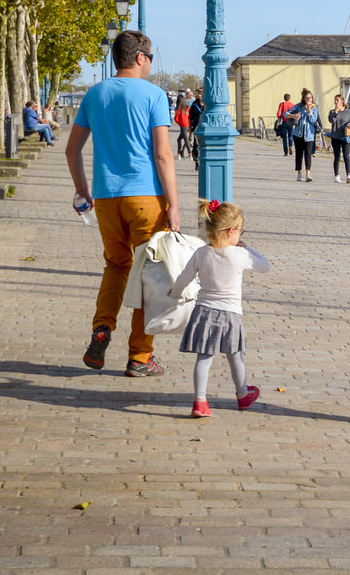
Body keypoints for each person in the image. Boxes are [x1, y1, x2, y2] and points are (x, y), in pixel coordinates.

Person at [67, 30, 178, 376]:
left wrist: (83, 190)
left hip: (105, 199)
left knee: (116, 266)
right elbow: (162, 154)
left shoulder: (94, 94)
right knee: (150, 276)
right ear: (141, 57)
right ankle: (140, 356)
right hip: (146, 198)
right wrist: (173, 204)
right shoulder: (153, 95)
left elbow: (72, 149)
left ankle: (102, 328)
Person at [170, 199, 273, 418]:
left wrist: (175, 295)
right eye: (241, 232)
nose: (241, 237)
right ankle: (243, 394)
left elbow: (183, 279)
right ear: (231, 231)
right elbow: (265, 265)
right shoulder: (240, 255)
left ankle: (200, 401)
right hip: (230, 314)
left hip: (204, 312)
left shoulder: (201, 253)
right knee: (235, 356)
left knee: (204, 357)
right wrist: (247, 247)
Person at [327, 93, 350, 184]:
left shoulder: (348, 112)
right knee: (337, 156)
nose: (335, 102)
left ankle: (349, 175)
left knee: (346, 156)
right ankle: (336, 175)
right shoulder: (332, 112)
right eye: (335, 100)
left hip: (345, 137)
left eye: (337, 100)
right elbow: (332, 121)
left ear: (342, 101)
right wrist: (335, 112)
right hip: (335, 137)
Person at [292, 94, 321, 181]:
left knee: (308, 154)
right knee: (299, 153)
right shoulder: (299, 107)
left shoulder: (314, 108)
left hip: (309, 134)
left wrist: (309, 111)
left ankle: (308, 174)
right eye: (307, 98)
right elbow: (287, 113)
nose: (309, 99)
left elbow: (313, 120)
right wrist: (294, 116)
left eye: (310, 98)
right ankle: (299, 174)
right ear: (304, 99)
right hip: (298, 133)